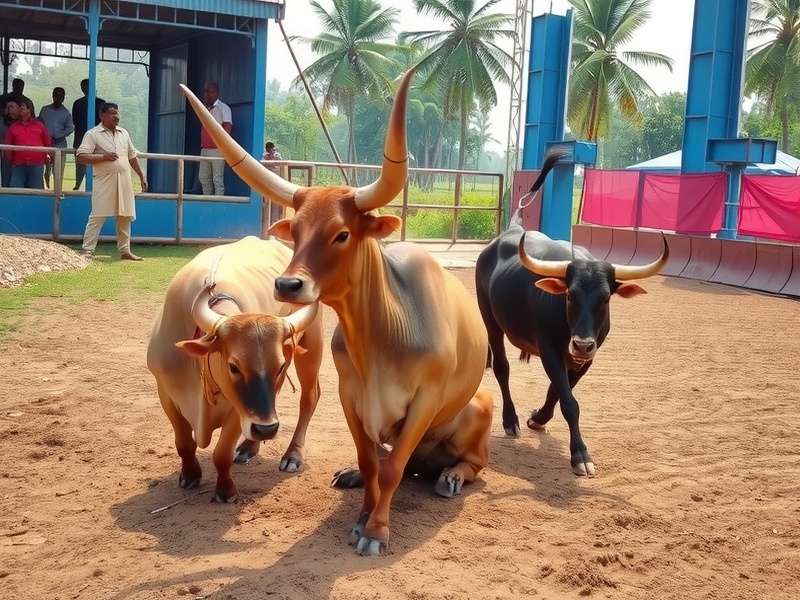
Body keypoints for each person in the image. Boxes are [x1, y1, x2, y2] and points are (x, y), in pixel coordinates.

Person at [77, 103, 147, 261]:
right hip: (104, 180)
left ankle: (125, 251)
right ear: (102, 115)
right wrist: (103, 157)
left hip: (124, 180)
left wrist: (142, 175)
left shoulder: (124, 133)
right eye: (112, 113)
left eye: (117, 113)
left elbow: (132, 156)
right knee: (97, 215)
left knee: (125, 216)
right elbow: (80, 156)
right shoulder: (93, 134)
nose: (116, 117)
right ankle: (87, 250)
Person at [3, 99, 51, 189]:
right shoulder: (13, 127)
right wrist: (12, 161)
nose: (20, 109)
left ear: (29, 110)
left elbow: (48, 143)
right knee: (16, 191)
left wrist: (45, 159)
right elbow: (8, 147)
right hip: (18, 166)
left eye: (22, 107)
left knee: (35, 192)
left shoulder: (39, 126)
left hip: (36, 165)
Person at [198, 82, 231, 196]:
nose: (207, 95)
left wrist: (222, 145)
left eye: (210, 92)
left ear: (216, 93)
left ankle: (218, 205)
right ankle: (207, 202)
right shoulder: (204, 108)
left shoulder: (224, 108)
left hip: (217, 150)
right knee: (203, 178)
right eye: (205, 92)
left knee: (217, 180)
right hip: (204, 149)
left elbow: (227, 128)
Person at [71, 79, 105, 190]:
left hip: (94, 140)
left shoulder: (100, 103)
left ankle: (82, 185)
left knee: (94, 164)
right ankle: (79, 185)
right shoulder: (79, 103)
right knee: (82, 164)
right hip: (85, 139)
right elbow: (75, 122)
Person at [39, 87, 75, 189]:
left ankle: (57, 192)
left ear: (63, 97)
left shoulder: (66, 113)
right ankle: (43, 191)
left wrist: (59, 135)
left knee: (58, 171)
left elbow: (71, 128)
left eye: (61, 95)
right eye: (56, 94)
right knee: (41, 169)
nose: (58, 97)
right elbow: (39, 124)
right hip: (45, 144)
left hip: (59, 144)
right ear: (53, 95)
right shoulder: (45, 110)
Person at [0, 100, 20, 187]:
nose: (9, 109)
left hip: (20, 157)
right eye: (7, 107)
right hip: (5, 156)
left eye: (12, 107)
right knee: (6, 179)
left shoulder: (22, 122)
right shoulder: (1, 122)